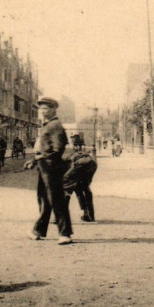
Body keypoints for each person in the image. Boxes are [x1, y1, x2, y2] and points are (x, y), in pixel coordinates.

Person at [24, 96, 73, 245]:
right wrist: (35, 160)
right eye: (41, 108)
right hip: (45, 167)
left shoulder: (55, 125)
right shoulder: (48, 125)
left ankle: (65, 234)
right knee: (45, 199)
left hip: (52, 167)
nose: (42, 111)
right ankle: (38, 231)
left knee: (56, 199)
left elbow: (58, 149)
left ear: (53, 109)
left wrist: (39, 158)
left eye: (45, 108)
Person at [63, 149, 98, 222]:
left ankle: (62, 216)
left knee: (65, 185)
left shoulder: (62, 157)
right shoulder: (73, 153)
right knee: (83, 188)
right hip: (93, 164)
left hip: (80, 163)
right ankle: (89, 215)